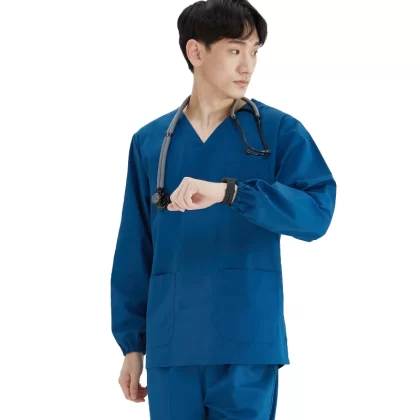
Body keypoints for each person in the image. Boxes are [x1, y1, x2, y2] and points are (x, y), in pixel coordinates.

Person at [110, 0, 337, 418]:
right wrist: (132, 344)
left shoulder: (278, 132)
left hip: (247, 344)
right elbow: (134, 247)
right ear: (196, 51)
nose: (247, 65)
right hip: (172, 346)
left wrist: (232, 193)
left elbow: (316, 213)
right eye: (235, 50)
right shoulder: (151, 142)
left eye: (254, 52)